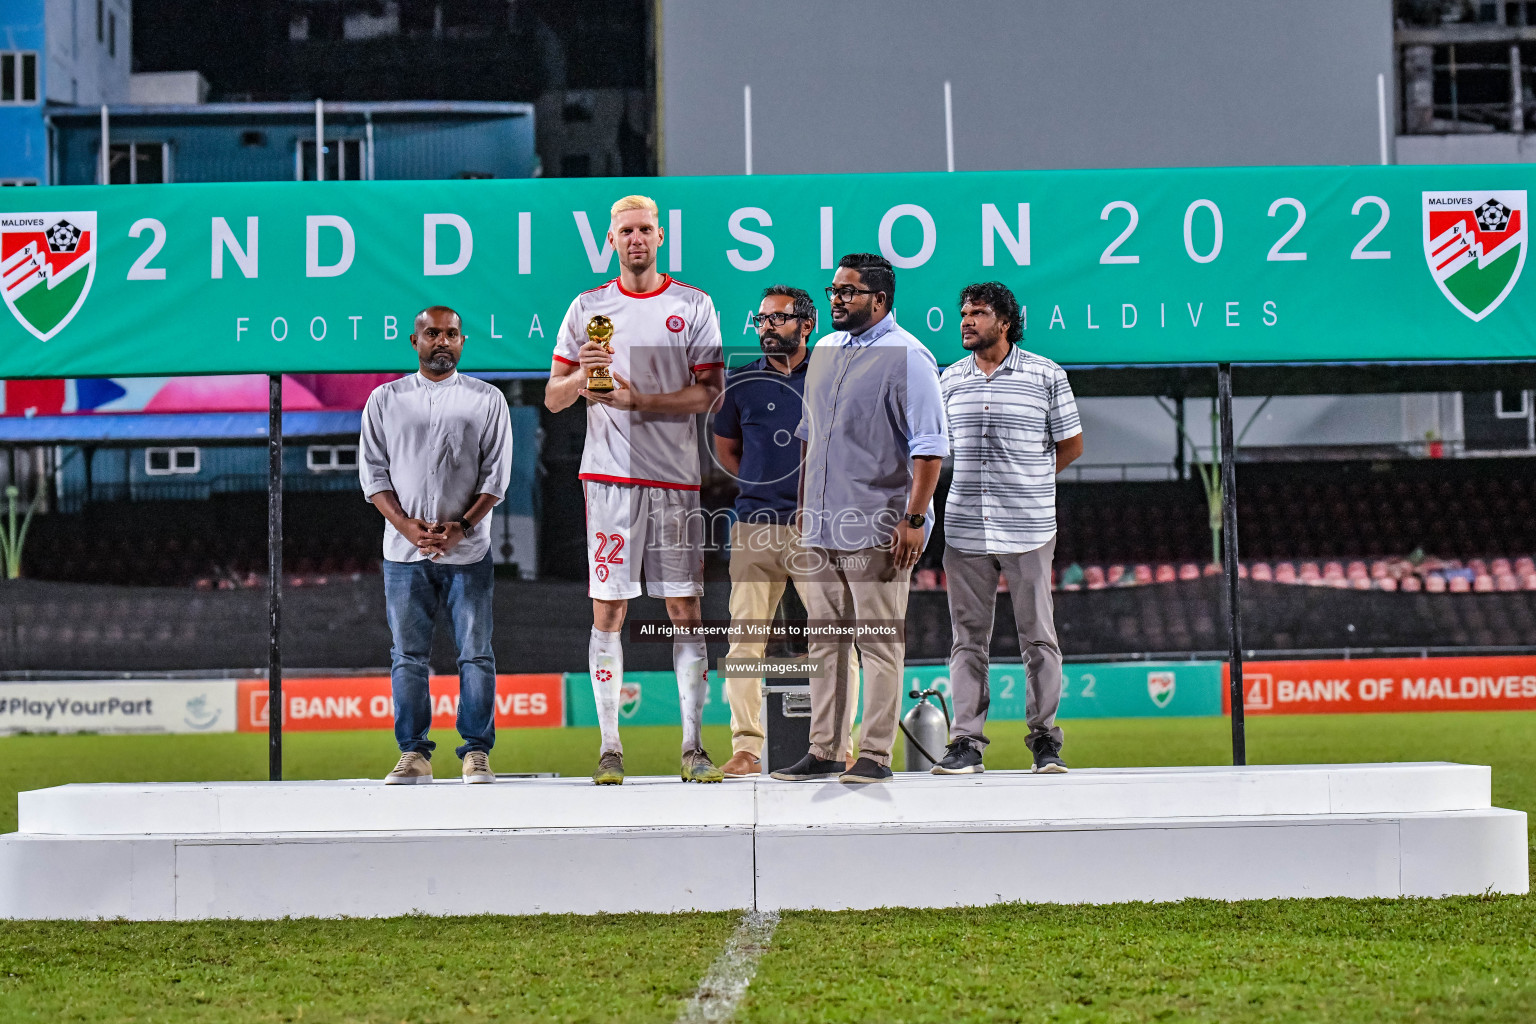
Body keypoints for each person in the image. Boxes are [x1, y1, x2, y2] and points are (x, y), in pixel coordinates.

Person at [545, 194, 726, 786]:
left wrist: (637, 400)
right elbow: (553, 396)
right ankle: (609, 747)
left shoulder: (693, 305)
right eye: (626, 230)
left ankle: (694, 747)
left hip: (675, 476)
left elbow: (709, 393)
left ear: (661, 236)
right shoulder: (588, 307)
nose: (637, 239)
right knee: (610, 609)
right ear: (612, 239)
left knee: (684, 611)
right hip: (610, 479)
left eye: (646, 228)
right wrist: (580, 373)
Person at [771, 253, 948, 784]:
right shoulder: (823, 350)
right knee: (826, 641)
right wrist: (803, 511)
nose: (836, 300)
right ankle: (825, 749)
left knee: (878, 640)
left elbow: (930, 449)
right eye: (833, 290)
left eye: (848, 292)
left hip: (877, 525)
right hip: (821, 525)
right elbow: (810, 438)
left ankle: (874, 754)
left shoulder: (911, 357)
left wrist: (914, 520)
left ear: (881, 299)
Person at [933, 282, 1083, 776]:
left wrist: (1030, 483)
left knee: (1038, 637)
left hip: (1030, 527)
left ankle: (1045, 742)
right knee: (966, 639)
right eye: (963, 314)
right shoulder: (948, 379)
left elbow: (1072, 445)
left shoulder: (1046, 375)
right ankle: (966, 744)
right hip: (965, 528)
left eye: (977, 313)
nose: (966, 322)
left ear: (1005, 321)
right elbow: (935, 448)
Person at [360, 305, 513, 785]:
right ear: (415, 341)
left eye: (450, 334)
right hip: (403, 555)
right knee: (408, 656)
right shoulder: (384, 400)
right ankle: (414, 754)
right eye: (432, 333)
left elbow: (496, 475)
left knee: (476, 654)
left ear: (463, 342)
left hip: (468, 552)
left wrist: (462, 527)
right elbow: (373, 474)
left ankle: (475, 753)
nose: (441, 341)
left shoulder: (487, 399)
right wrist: (405, 525)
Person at [712, 285, 861, 777]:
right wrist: (762, 489)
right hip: (755, 527)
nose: (767, 327)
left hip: (819, 528)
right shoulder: (739, 382)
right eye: (761, 319)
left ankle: (840, 744)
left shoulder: (832, 377)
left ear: (806, 324)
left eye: (778, 319)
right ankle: (747, 748)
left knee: (833, 640)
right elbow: (728, 452)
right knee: (744, 641)